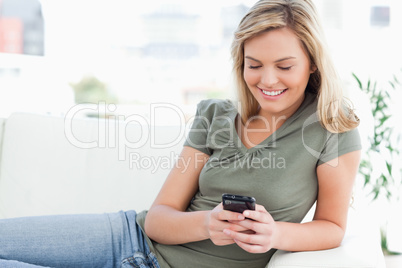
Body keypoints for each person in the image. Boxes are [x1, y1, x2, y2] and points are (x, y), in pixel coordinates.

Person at [0, 0, 361, 267]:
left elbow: (331, 226)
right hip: (128, 234)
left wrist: (276, 234)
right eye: (254, 65)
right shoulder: (215, 114)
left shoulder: (331, 126)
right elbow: (158, 220)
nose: (267, 80)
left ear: (312, 62)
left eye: (284, 66)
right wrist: (207, 223)